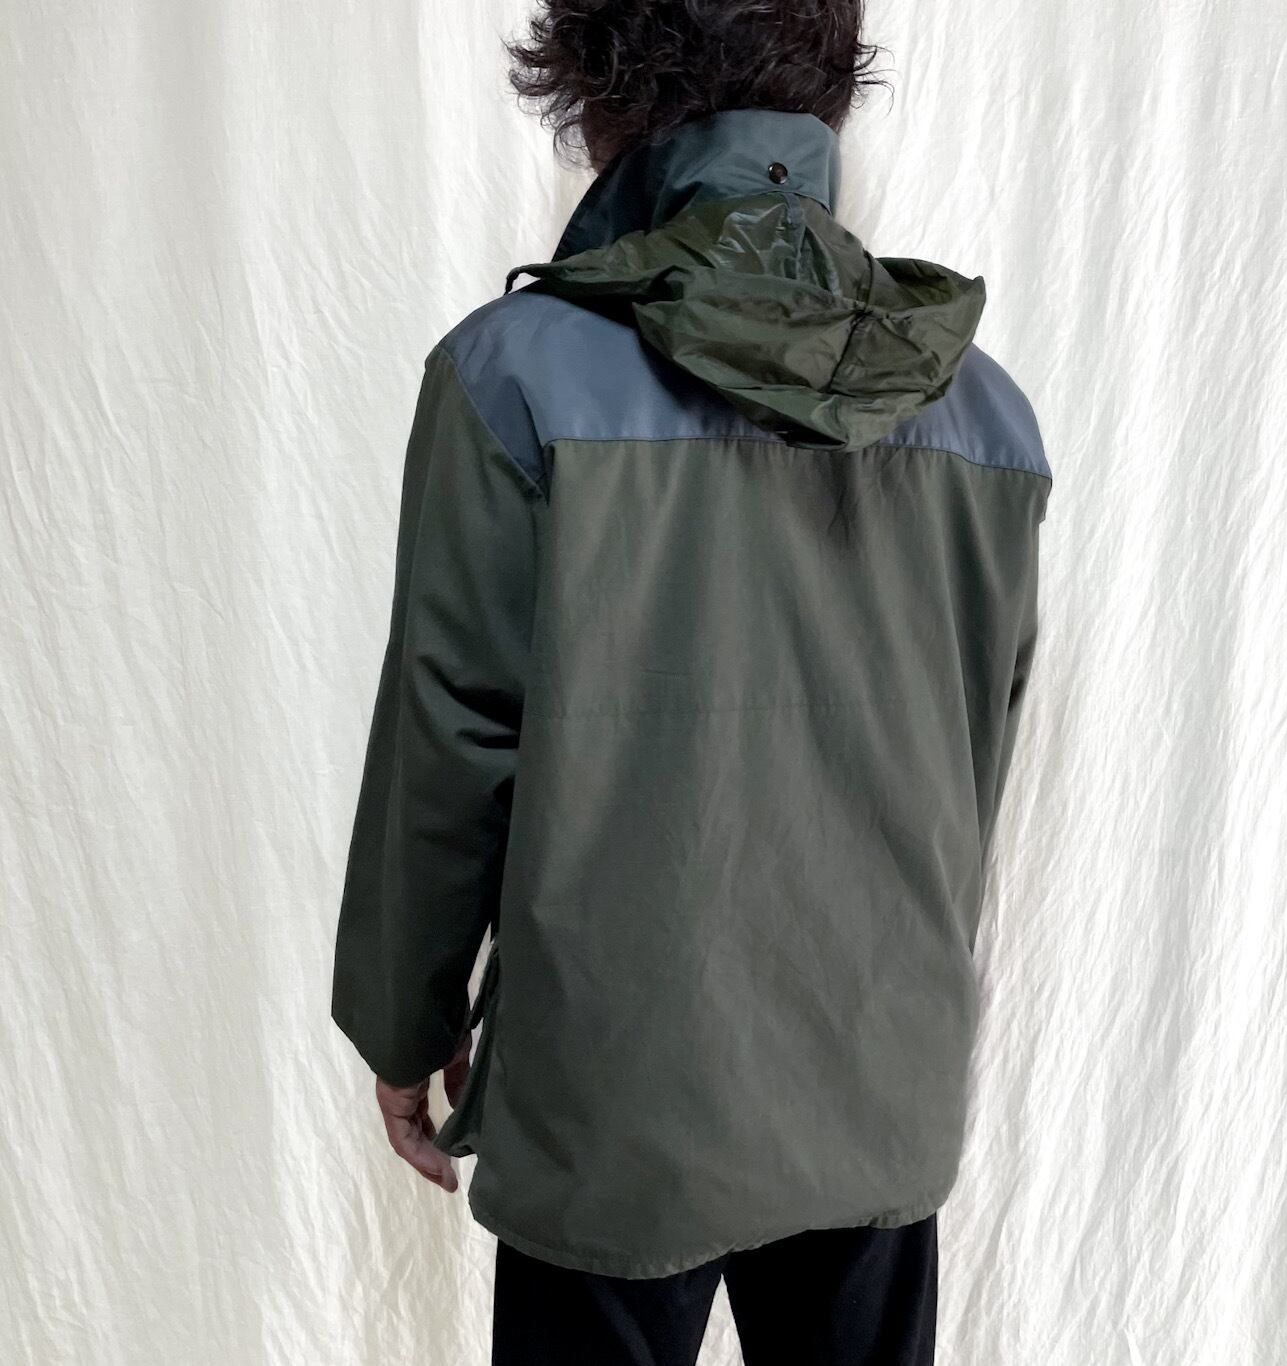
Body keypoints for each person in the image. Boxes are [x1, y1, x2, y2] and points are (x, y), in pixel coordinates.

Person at [331, 2, 1051, 1361]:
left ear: (598, 90)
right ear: (825, 92)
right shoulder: (983, 410)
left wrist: (402, 1017)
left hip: (617, 1088)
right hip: (879, 1070)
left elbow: (449, 732)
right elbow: (974, 764)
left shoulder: (513, 378)